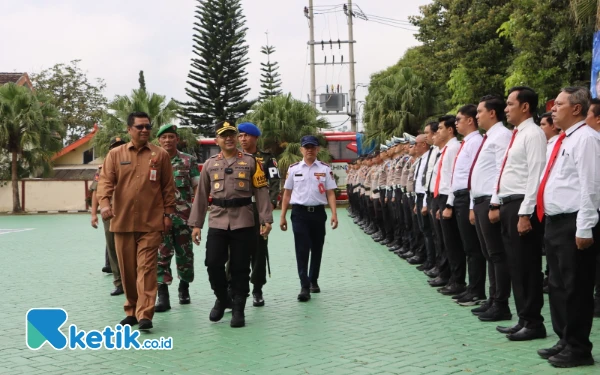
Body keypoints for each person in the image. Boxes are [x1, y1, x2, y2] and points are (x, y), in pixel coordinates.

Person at [536, 87, 600, 367]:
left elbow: (591, 186)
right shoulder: (562, 140)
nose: (552, 109)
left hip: (575, 221)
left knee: (576, 288)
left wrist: (584, 227)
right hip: (556, 221)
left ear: (576, 108)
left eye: (558, 104)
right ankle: (565, 338)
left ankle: (579, 347)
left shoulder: (586, 139)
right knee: (558, 285)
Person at [97, 112, 177, 331]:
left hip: (151, 223)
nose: (144, 130)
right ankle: (131, 310)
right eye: (140, 127)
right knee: (127, 271)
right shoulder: (115, 154)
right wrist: (104, 204)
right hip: (121, 222)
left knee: (146, 269)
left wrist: (168, 214)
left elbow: (168, 187)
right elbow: (105, 182)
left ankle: (145, 315)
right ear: (129, 129)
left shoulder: (159, 155)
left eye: (147, 127)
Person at [189, 121, 273, 328]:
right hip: (217, 219)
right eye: (224, 135)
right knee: (213, 263)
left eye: (232, 135)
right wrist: (196, 224)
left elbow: (261, 192)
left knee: (240, 267)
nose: (228, 138)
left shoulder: (252, 162)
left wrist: (266, 219)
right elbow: (201, 195)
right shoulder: (210, 164)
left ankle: (238, 309)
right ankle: (222, 297)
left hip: (244, 220)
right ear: (217, 140)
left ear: (236, 138)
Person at [489, 86, 547, 341]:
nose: (506, 109)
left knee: (527, 267)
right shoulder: (517, 135)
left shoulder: (533, 134)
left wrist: (525, 213)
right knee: (515, 265)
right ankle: (523, 318)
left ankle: (534, 322)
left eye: (510, 104)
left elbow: (536, 175)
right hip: (510, 204)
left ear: (525, 107)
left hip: (523, 205)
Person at [469, 95, 513, 322]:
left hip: (490, 201)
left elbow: (501, 171)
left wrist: (495, 202)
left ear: (491, 113)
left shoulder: (502, 136)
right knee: (489, 254)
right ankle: (493, 299)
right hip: (480, 201)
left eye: (479, 112)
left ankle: (501, 304)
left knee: (497, 254)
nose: (477, 116)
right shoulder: (489, 137)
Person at [280, 135, 338, 302]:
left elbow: (330, 193)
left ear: (318, 149)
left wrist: (334, 213)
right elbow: (287, 194)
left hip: (318, 213)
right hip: (299, 214)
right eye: (306, 147)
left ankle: (313, 280)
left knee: (317, 248)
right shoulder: (294, 169)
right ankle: (304, 285)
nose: (310, 150)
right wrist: (282, 216)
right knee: (302, 249)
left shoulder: (325, 169)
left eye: (313, 147)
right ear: (301, 150)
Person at [444, 105, 486, 306]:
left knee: (473, 248)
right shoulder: (465, 143)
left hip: (468, 197)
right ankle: (472, 288)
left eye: (459, 119)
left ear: (470, 121)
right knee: (467, 247)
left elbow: (473, 177)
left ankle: (477, 290)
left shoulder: (475, 142)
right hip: (460, 197)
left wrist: (470, 205)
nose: (456, 123)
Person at [154, 124, 200, 312]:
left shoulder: (189, 161)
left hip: (184, 218)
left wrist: (197, 215)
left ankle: (184, 288)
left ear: (177, 140)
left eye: (171, 137)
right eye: (164, 137)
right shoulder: (153, 161)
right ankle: (162, 295)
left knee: (185, 256)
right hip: (159, 218)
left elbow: (198, 188)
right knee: (160, 256)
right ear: (159, 140)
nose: (167, 140)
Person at [237, 122, 281, 307]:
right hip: (238, 210)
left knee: (258, 251)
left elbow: (274, 181)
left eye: (247, 135)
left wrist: (268, 207)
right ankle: (235, 289)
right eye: (240, 136)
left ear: (255, 137)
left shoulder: (267, 159)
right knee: (235, 251)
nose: (243, 139)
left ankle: (257, 289)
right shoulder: (234, 157)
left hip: (258, 210)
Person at [434, 115, 467, 297]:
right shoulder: (446, 149)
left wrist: (449, 203)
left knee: (453, 243)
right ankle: (450, 277)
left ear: (450, 130)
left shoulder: (454, 148)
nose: (438, 132)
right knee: (445, 241)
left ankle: (457, 280)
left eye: (440, 128)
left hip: (450, 196)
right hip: (443, 196)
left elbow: (455, 178)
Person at [90, 136, 126, 296]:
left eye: (120, 146)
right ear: (110, 149)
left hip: (130, 211)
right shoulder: (103, 167)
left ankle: (134, 281)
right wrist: (93, 214)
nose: (117, 149)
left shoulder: (134, 164)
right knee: (112, 247)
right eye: (114, 146)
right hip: (110, 212)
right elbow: (96, 192)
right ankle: (119, 282)